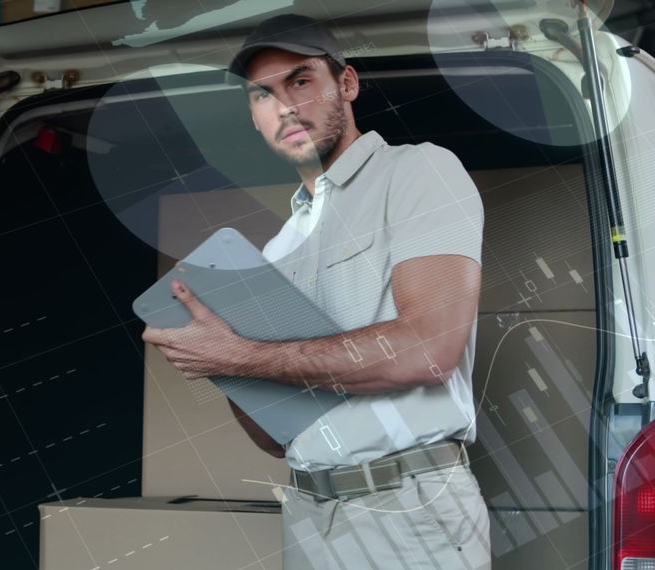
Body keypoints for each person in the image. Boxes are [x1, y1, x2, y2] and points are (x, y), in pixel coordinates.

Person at [141, 13, 492, 570]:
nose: (284, 107)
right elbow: (275, 438)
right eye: (263, 95)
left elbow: (430, 349)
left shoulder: (417, 171)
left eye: (300, 81)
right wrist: (216, 355)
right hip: (308, 509)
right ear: (254, 118)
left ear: (346, 84)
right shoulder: (279, 247)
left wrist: (245, 354)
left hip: (409, 506)